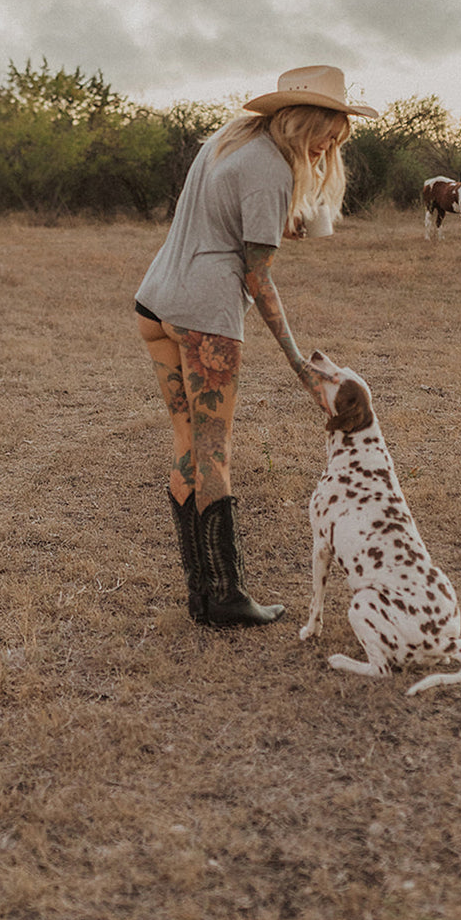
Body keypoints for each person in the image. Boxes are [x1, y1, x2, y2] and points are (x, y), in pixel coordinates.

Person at [135, 65, 378, 628]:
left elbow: (220, 220)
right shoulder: (270, 167)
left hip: (157, 303)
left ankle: (203, 593)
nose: (329, 145)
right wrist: (301, 365)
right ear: (304, 120)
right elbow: (258, 278)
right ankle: (223, 594)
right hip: (204, 315)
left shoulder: (231, 139)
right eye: (328, 132)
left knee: (188, 444)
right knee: (215, 450)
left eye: (338, 138)